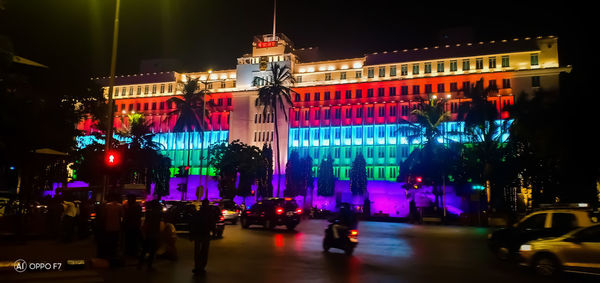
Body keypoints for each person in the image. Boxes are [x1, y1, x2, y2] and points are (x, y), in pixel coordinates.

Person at [190, 198, 214, 274]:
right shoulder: (209, 214)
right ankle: (201, 267)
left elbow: (193, 224)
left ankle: (198, 267)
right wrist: (213, 232)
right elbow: (212, 224)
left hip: (199, 234)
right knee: (204, 251)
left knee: (198, 252)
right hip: (204, 234)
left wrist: (192, 234)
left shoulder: (199, 213)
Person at [98, 193, 123, 260]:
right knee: (114, 242)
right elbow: (122, 216)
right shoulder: (120, 206)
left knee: (108, 241)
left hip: (107, 227)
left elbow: (102, 216)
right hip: (116, 227)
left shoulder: (106, 206)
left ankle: (108, 254)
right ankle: (113, 254)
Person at [139, 200, 162, 270]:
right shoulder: (158, 214)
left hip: (149, 233)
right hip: (154, 233)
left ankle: (140, 264)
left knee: (145, 249)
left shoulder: (149, 213)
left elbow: (146, 223)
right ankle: (149, 265)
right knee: (152, 250)